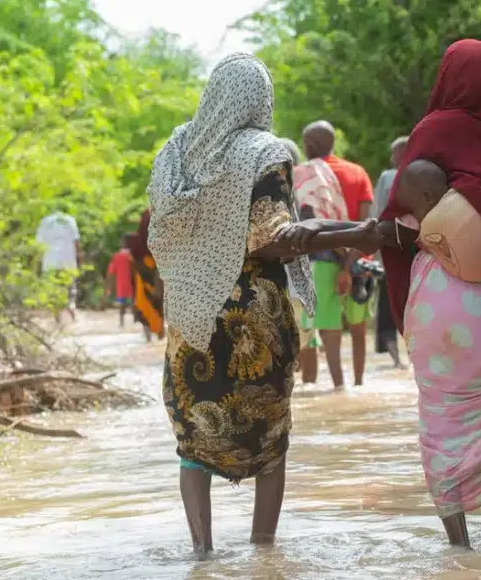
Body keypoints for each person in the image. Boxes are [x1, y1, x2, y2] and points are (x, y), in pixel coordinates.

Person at [281, 40, 481, 548]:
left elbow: (397, 232)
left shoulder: (432, 133)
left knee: (443, 427)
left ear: (446, 77)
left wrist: (322, 231)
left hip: (442, 307)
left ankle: (460, 551)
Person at [146, 53, 381, 556]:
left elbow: (160, 226)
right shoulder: (265, 150)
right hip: (253, 311)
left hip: (190, 312)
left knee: (193, 434)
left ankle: (202, 554)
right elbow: (274, 238)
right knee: (270, 434)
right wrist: (354, 234)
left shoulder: (176, 148)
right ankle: (264, 554)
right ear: (261, 99)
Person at [301, 120, 375, 386]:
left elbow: (311, 225)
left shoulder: (305, 175)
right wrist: (350, 261)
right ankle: (358, 384)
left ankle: (334, 388)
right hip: (360, 264)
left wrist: (340, 262)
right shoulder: (358, 173)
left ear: (312, 144)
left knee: (322, 329)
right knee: (358, 329)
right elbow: (367, 225)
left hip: (322, 262)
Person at [279, 137, 323, 385]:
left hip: (285, 277)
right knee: (307, 336)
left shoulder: (270, 189)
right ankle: (310, 385)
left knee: (285, 339)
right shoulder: (309, 189)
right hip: (305, 276)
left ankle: (301, 389)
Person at [371, 136, 409, 366]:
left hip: (390, 251)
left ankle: (397, 361)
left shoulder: (388, 177)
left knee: (387, 308)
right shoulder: (429, 174)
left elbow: (377, 214)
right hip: (418, 252)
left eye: (395, 153)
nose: (391, 158)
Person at [35, 209, 82, 324]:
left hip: (50, 262)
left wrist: (37, 263)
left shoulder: (45, 221)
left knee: (53, 290)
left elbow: (39, 246)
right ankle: (71, 308)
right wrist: (80, 260)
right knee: (70, 289)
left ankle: (57, 319)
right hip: (68, 261)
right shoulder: (70, 220)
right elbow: (76, 243)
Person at [128, 211, 164, 342]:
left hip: (142, 281)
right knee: (158, 304)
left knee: (144, 304)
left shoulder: (136, 243)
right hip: (157, 278)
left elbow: (133, 263)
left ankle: (148, 338)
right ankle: (160, 334)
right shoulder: (160, 238)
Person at [105, 235, 135, 328]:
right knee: (136, 304)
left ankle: (122, 324)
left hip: (121, 285)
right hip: (134, 284)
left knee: (122, 305)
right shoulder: (133, 256)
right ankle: (137, 324)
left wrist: (109, 288)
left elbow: (111, 273)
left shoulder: (117, 256)